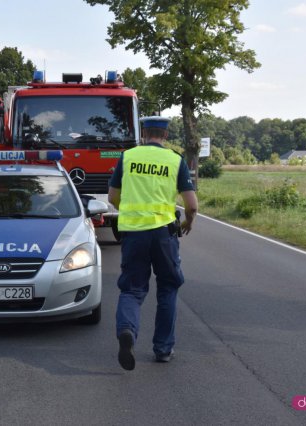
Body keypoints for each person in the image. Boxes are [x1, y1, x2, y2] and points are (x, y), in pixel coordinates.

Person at [108, 116, 198, 371]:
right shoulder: (175, 160)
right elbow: (191, 205)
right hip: (163, 235)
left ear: (143, 133)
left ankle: (127, 331)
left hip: (133, 234)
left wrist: (130, 212)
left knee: (132, 289)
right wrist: (188, 222)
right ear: (166, 135)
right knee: (168, 287)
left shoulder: (128, 157)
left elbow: (113, 196)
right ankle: (163, 349)